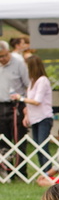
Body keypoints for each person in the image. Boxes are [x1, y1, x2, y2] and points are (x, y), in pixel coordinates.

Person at [18, 55, 53, 170]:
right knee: (38, 147)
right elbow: (30, 102)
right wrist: (26, 115)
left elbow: (37, 101)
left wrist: (20, 98)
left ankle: (48, 171)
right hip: (34, 118)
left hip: (44, 117)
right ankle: (43, 171)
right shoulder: (32, 82)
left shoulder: (42, 80)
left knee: (43, 146)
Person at [0, 43, 30, 171]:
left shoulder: (19, 63)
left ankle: (21, 171)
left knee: (19, 139)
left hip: (16, 106)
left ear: (9, 51)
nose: (2, 59)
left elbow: (28, 85)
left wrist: (27, 106)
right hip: (1, 105)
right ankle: (5, 170)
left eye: (4, 56)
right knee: (3, 140)